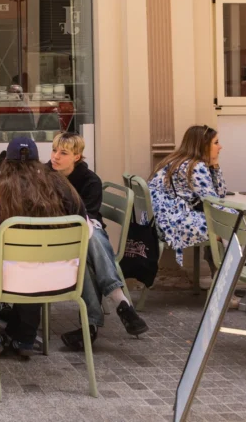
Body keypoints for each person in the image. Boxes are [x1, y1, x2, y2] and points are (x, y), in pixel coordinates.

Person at [0, 136, 88, 359]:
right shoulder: (60, 184)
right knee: (36, 268)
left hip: (8, 280)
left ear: (7, 161)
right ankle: (24, 337)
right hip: (62, 279)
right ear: (37, 160)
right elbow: (86, 231)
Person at [49, 132, 148, 349]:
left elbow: (87, 216)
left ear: (77, 156)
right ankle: (120, 302)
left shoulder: (90, 181)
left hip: (84, 233)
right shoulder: (45, 174)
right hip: (55, 239)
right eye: (54, 150)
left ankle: (90, 327)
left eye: (63, 153)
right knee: (85, 245)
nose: (55, 156)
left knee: (87, 238)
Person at [149, 125, 227, 265]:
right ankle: (222, 279)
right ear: (203, 146)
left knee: (225, 226)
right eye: (216, 143)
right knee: (226, 227)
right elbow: (216, 202)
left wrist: (215, 166)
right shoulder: (195, 167)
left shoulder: (176, 160)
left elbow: (219, 195)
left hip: (157, 221)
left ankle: (219, 277)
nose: (220, 147)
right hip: (170, 224)